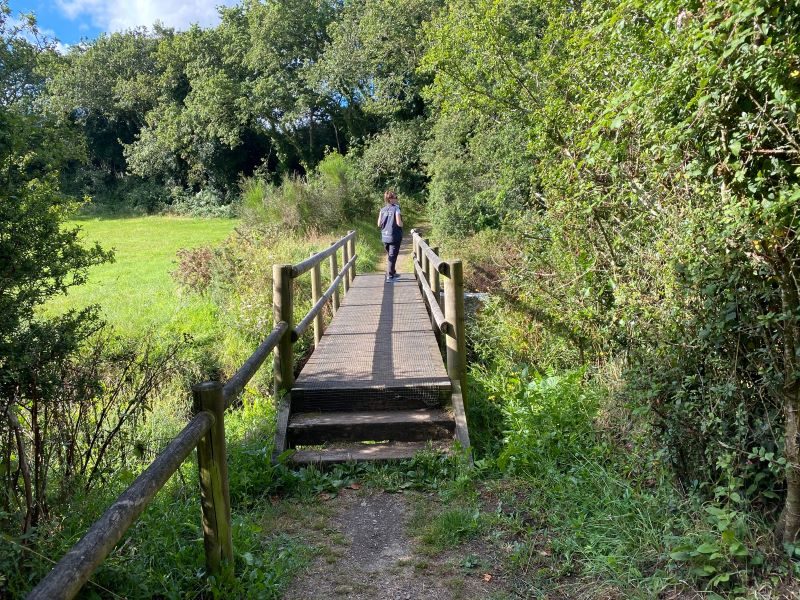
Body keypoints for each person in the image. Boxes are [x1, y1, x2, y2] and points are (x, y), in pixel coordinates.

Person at [378, 190, 403, 282]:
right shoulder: (396, 209)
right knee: (392, 256)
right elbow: (399, 223)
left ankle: (393, 271)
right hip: (394, 236)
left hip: (385, 236)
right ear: (390, 199)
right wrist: (402, 224)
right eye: (395, 197)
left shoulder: (382, 209)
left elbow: (378, 224)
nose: (397, 199)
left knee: (390, 255)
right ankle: (390, 276)